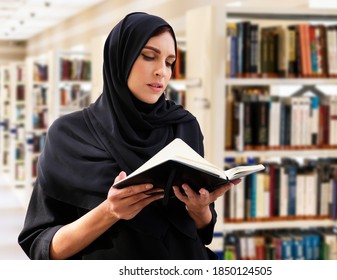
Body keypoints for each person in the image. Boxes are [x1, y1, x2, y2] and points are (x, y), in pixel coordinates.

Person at [18, 12, 240, 260]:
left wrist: (200, 210)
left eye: (169, 62)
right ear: (120, 58)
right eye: (148, 56)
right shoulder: (69, 134)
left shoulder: (184, 125)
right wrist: (110, 211)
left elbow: (201, 231)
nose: (161, 72)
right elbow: (41, 247)